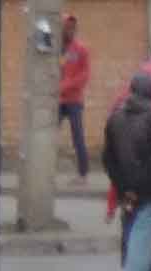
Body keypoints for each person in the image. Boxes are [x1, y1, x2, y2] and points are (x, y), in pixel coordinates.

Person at [103, 60, 151, 271]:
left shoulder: (114, 119)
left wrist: (124, 188)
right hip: (148, 191)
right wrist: (138, 187)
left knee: (134, 236)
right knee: (139, 238)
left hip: (126, 190)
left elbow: (108, 159)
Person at [56, 7, 92, 169]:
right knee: (46, 135)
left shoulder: (81, 49)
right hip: (55, 100)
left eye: (72, 28)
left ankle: (82, 173)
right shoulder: (54, 49)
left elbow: (85, 75)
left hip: (73, 100)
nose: (70, 31)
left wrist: (65, 86)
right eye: (67, 27)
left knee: (78, 137)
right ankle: (45, 168)